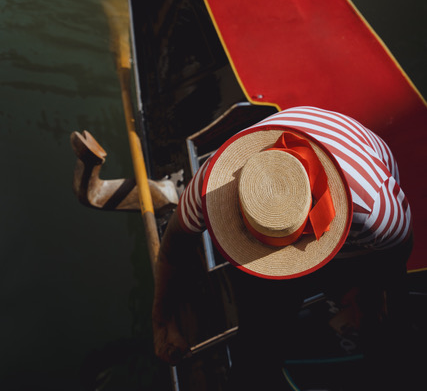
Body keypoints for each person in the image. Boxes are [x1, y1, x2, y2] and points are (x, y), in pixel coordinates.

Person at [152, 106, 413, 390]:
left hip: (359, 242)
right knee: (258, 340)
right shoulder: (212, 185)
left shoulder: (373, 213)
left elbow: (396, 255)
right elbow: (172, 246)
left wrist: (371, 295)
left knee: (385, 329)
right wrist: (163, 321)